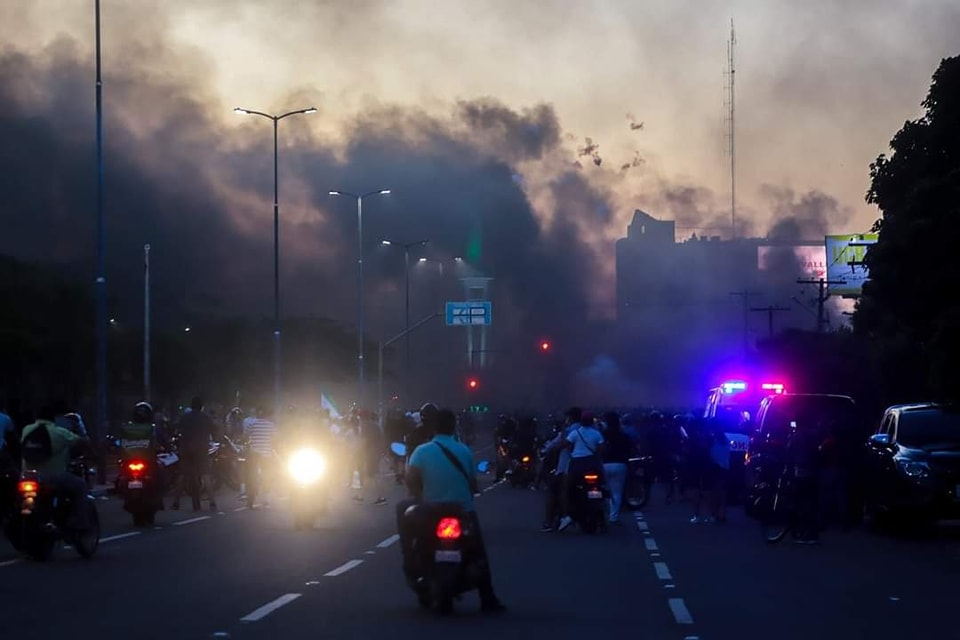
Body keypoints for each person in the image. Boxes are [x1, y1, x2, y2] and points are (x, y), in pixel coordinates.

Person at [399, 408, 505, 613]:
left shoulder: (421, 451)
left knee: (404, 516)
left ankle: (409, 560)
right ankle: (488, 596)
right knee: (478, 552)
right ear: (454, 426)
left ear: (433, 426)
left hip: (430, 510)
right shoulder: (464, 450)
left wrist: (420, 496)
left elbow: (410, 479)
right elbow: (473, 483)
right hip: (462, 510)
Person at [20, 404, 91, 528]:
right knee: (80, 486)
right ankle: (80, 523)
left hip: (28, 476)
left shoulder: (26, 429)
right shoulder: (60, 432)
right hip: (53, 477)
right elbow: (81, 442)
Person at [557, 410, 605, 532]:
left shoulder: (575, 433)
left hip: (577, 465)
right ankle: (601, 516)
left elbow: (565, 445)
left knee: (567, 489)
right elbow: (601, 450)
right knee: (599, 488)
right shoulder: (597, 434)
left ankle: (567, 515)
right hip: (592, 465)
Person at [176, 396, 218, 511]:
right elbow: (215, 431)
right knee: (206, 475)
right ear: (201, 407)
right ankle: (212, 502)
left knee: (183, 474)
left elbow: (177, 430)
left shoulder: (184, 418)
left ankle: (176, 501)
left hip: (186, 450)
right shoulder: (206, 417)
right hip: (202, 450)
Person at [601, 412, 634, 524]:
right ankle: (613, 516)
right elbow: (631, 450)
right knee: (617, 492)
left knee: (605, 490)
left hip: (604, 464)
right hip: (620, 464)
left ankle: (604, 513)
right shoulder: (624, 436)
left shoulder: (602, 435)